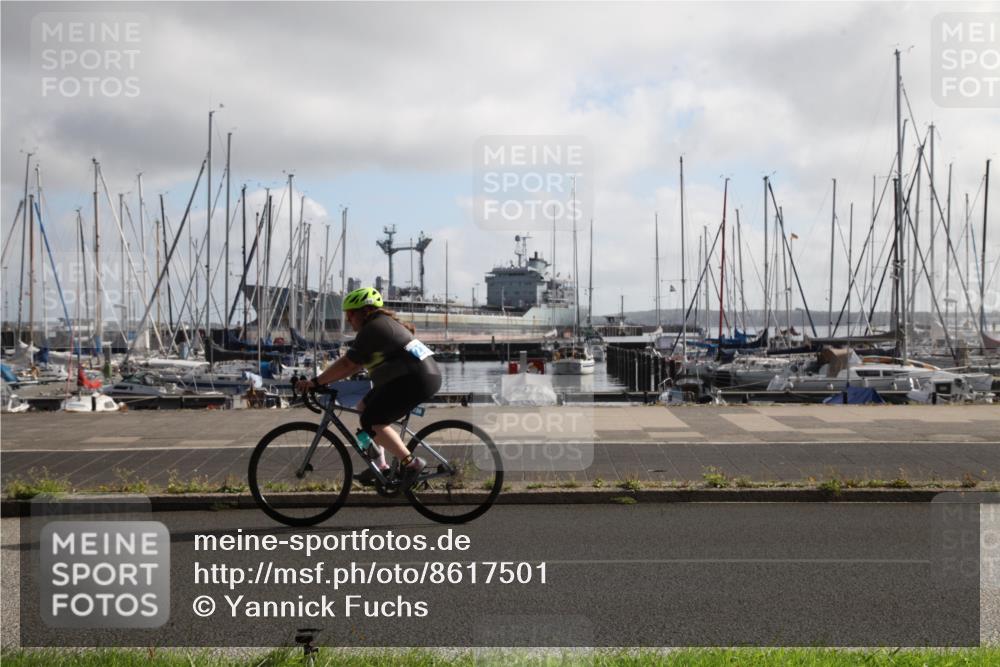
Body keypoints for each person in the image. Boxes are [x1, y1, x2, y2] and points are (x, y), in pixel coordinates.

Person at [295, 286, 441, 490]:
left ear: (362, 312)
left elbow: (348, 364)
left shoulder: (373, 329)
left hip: (414, 379)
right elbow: (353, 365)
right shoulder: (379, 325)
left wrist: (316, 382)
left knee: (372, 421)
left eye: (350, 315)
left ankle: (411, 464)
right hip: (411, 377)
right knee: (363, 407)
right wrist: (324, 381)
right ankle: (380, 467)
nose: (348, 320)